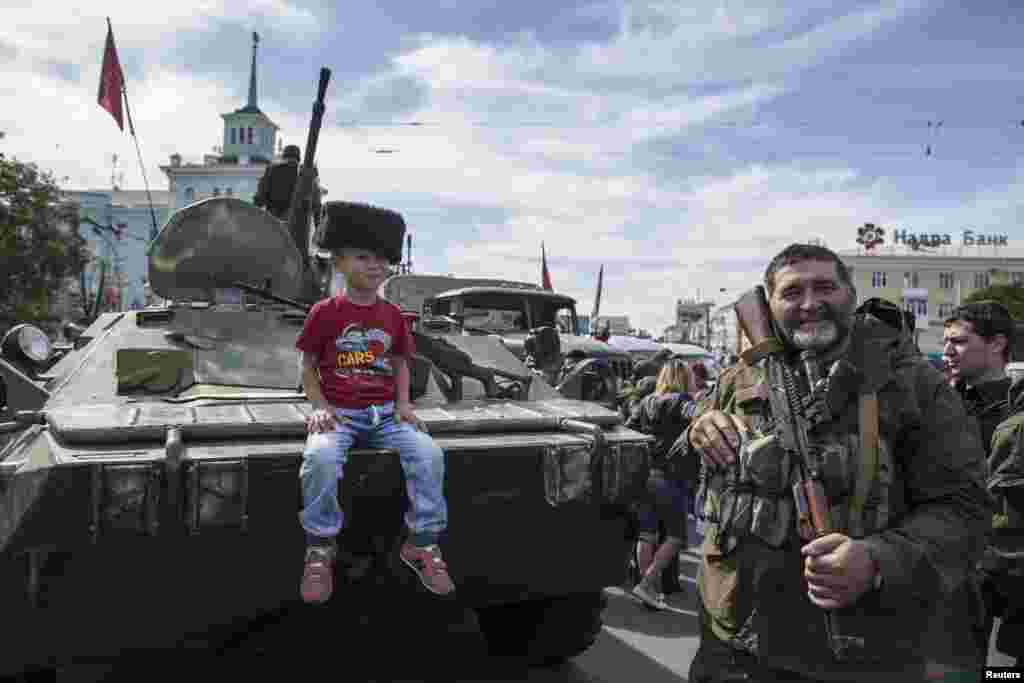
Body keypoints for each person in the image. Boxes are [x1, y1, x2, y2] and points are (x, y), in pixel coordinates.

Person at [678, 243, 990, 682]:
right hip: (734, 637)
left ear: (850, 295)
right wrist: (700, 428)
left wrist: (877, 559)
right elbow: (694, 447)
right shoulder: (742, 374)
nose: (810, 303)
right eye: (792, 292)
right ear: (768, 305)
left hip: (862, 650)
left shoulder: (913, 383)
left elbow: (966, 509)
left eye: (825, 287)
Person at [295, 201, 454, 604]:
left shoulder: (392, 316)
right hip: (341, 415)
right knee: (320, 459)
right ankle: (320, 547)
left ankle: (422, 542)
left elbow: (401, 362)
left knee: (429, 455)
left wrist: (403, 404)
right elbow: (307, 364)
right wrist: (318, 406)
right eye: (363, 257)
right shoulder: (324, 313)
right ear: (340, 262)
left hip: (385, 415)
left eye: (382, 259)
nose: (375, 266)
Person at [943, 301, 1022, 668]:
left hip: (1011, 574)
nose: (947, 351)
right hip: (952, 571)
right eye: (946, 342)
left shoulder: (1017, 411)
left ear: (997, 344)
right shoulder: (937, 406)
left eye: (959, 341)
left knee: (1005, 673)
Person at [625, 359, 700, 609]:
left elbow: (628, 430)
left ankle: (648, 589)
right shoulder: (684, 402)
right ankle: (647, 584)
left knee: (647, 534)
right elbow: (701, 420)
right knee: (676, 536)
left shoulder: (646, 401)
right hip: (671, 476)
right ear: (683, 378)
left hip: (646, 474)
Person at [254, 144, 322, 222]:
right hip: (299, 224)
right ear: (298, 158)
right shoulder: (307, 173)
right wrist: (317, 224)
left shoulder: (271, 170)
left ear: (284, 156)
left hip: (275, 223)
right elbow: (316, 205)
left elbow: (260, 199)